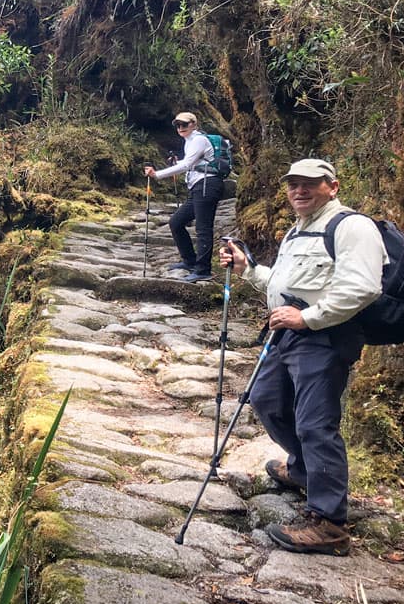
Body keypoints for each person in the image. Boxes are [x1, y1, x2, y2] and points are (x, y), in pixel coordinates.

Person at [219, 158, 386, 557]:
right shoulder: (298, 231)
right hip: (289, 333)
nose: (300, 191)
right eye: (293, 184)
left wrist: (308, 318)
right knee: (267, 399)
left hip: (324, 337)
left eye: (310, 184)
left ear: (333, 186)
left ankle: (330, 523)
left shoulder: (352, 227)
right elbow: (285, 283)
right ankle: (304, 469)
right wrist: (248, 269)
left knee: (316, 424)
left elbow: (363, 287)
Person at [144, 112, 222, 282]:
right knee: (176, 222)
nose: (180, 128)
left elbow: (187, 165)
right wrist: (176, 163)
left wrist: (157, 175)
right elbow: (190, 163)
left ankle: (203, 270)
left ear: (194, 124)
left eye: (184, 124)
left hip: (207, 186)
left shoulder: (199, 140)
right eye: (178, 125)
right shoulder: (190, 142)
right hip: (198, 187)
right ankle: (190, 261)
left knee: (203, 228)